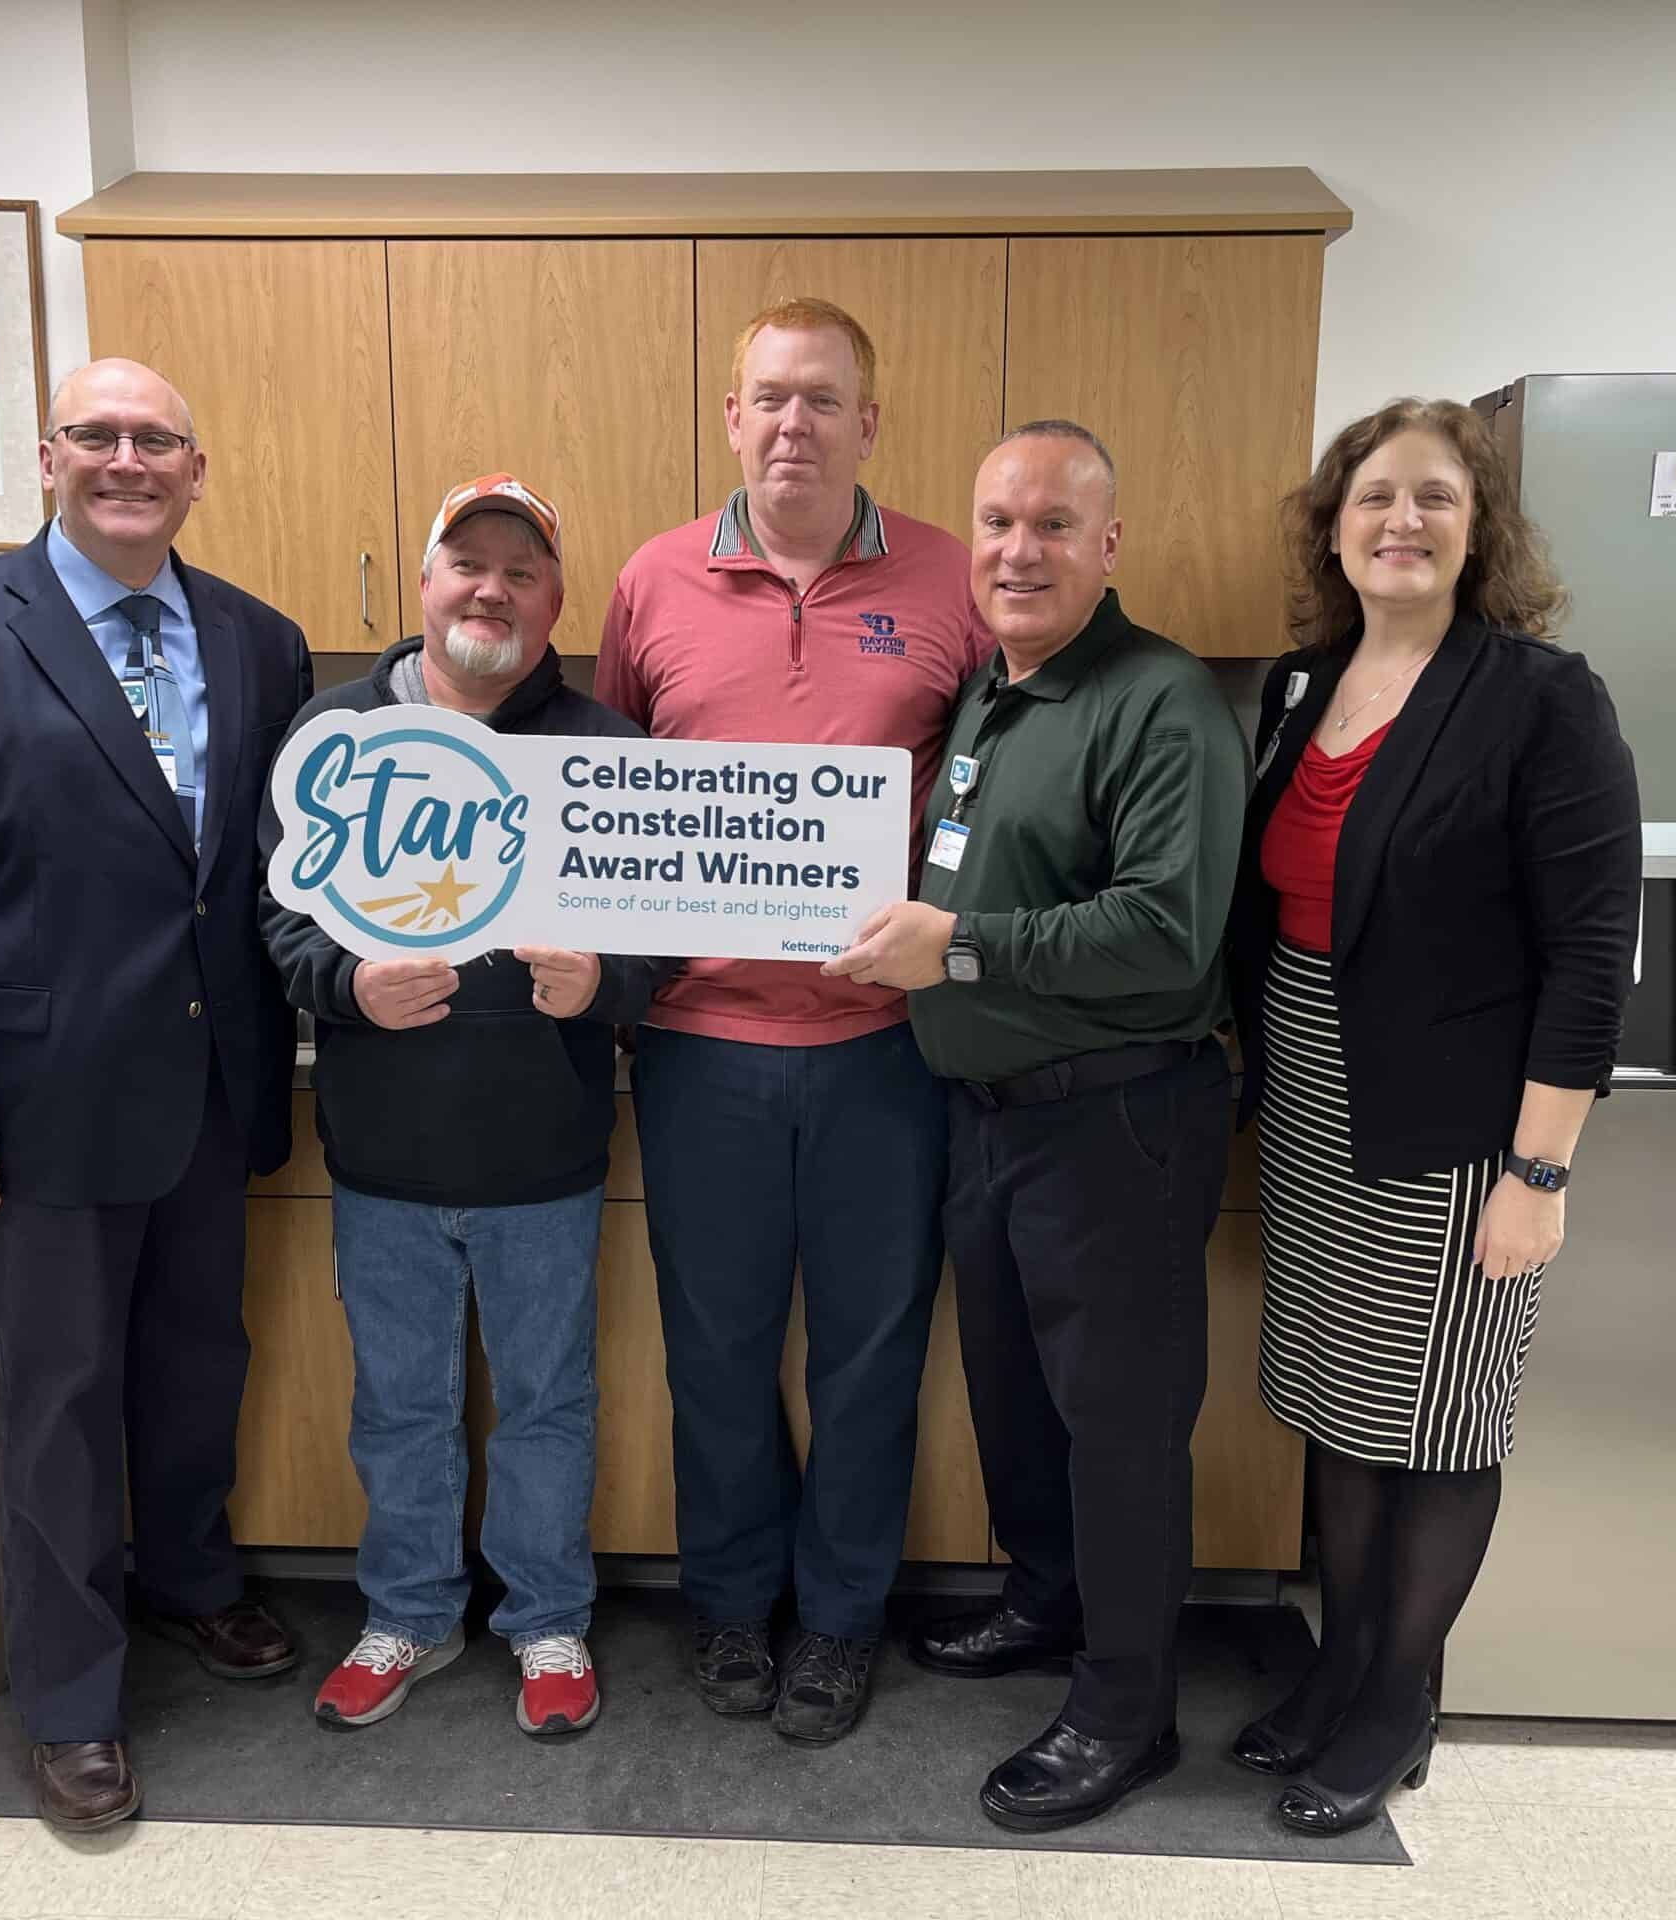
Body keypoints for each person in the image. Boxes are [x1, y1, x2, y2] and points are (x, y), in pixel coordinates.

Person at [0, 359, 312, 1830]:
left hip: (206, 1088)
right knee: (55, 1401)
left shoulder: (259, 641)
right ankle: (68, 1698)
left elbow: (259, 876)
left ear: (196, 464)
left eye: (155, 438)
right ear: (47, 453)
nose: (127, 459)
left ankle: (188, 1584)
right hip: (34, 1109)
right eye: (97, 435)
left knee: (194, 1366)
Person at [1225, 398, 1640, 1835]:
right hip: (1317, 1101)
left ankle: (1402, 1701)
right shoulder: (1303, 685)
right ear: (1333, 525)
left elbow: (1594, 951)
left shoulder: (1537, 694)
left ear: (1482, 529)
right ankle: (1342, 1672)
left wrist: (1540, 1167)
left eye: (1436, 499)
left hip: (1467, 1123)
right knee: (1348, 1406)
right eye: (1375, 497)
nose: (1401, 521)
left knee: (1445, 1420)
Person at [828, 420, 1247, 1832]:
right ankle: (1051, 1606)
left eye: (1054, 525)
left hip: (1114, 1122)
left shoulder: (1160, 701)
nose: (1019, 550)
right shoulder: (997, 698)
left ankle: (1128, 1713)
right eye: (998, 522)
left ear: (1108, 544)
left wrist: (953, 951)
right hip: (988, 1120)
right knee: (1018, 1404)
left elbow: (1167, 934)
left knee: (1119, 1427)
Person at [595, 297, 989, 1744]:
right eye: (769, 398)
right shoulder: (649, 584)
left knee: (873, 1356)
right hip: (701, 1049)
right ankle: (729, 1608)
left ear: (868, 424)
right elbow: (619, 789)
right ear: (732, 417)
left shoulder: (953, 578)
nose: (793, 425)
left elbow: (986, 787)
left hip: (888, 1053)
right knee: (714, 1353)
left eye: (823, 400)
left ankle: (837, 1625)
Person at [257, 475, 672, 1739]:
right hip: (382, 1152)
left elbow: (665, 936)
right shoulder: (332, 736)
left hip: (541, 1155)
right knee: (398, 1405)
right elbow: (275, 921)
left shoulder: (602, 750)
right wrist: (344, 982)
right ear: (423, 582)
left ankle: (547, 1621)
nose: (491, 588)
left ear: (556, 601)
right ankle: (408, 1619)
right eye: (467, 563)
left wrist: (606, 983)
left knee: (547, 1401)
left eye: (522, 571)